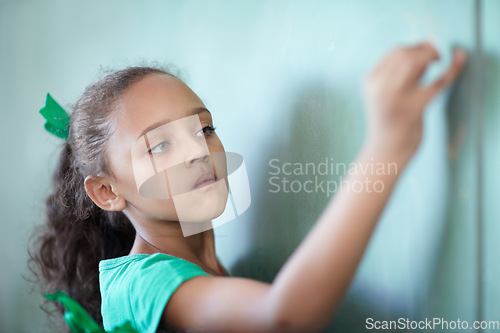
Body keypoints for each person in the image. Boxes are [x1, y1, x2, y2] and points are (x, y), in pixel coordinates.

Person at [30, 41, 467, 333]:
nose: (197, 152)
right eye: (160, 145)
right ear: (107, 191)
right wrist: (388, 145)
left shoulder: (220, 276)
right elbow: (285, 317)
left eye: (203, 129)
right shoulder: (138, 285)